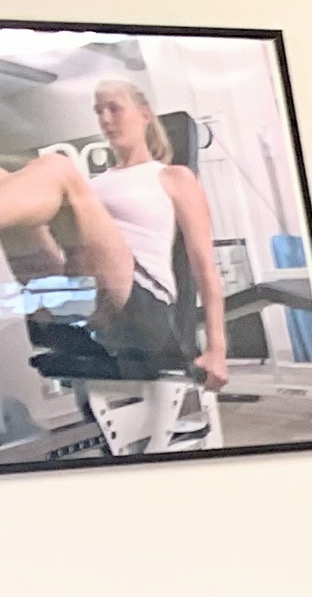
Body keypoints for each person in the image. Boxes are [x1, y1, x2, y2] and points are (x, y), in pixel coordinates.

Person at [0, 77, 226, 395]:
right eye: (99, 111)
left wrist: (217, 349)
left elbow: (205, 268)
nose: (105, 119)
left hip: (141, 309)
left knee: (58, 167)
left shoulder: (173, 176)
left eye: (114, 108)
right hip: (78, 299)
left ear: (144, 114)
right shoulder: (94, 184)